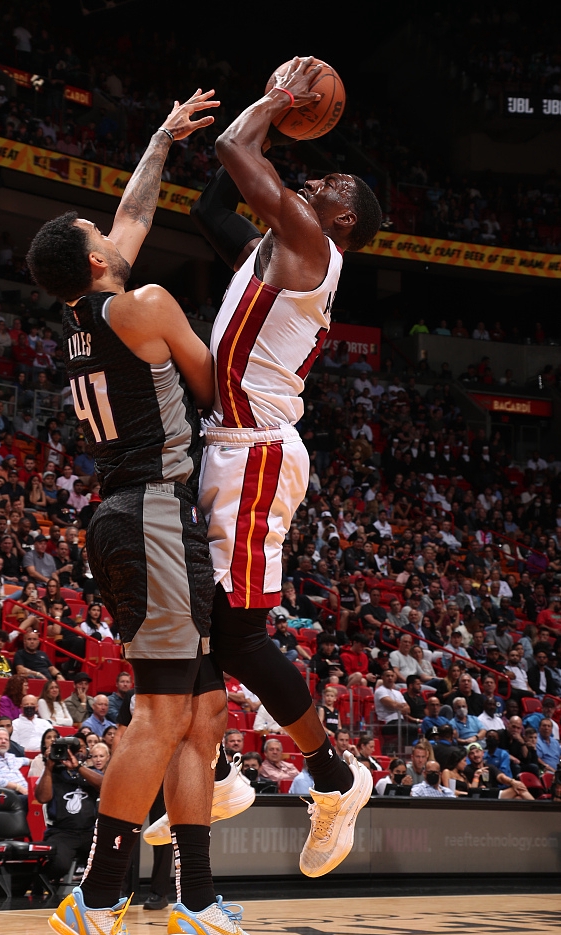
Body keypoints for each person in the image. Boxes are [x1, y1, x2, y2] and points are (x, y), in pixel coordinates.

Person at [27, 89, 281, 935]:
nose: (117, 232)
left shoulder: (88, 317)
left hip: (139, 517)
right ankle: (96, 901)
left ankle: (196, 903)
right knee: (163, 713)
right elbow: (217, 389)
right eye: (103, 235)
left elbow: (132, 215)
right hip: (152, 517)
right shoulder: (144, 305)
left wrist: (160, 140)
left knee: (203, 712)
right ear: (99, 260)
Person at [188, 56, 380, 881]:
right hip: (227, 445)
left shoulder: (312, 247)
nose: (315, 179)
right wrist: (252, 130)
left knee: (237, 635)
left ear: (340, 220)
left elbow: (234, 147)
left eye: (329, 184)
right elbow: (210, 204)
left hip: (256, 454)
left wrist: (275, 103)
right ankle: (215, 774)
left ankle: (334, 780)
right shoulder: (273, 246)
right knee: (195, 621)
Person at [35, 736, 103, 883]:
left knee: (108, 859)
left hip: (89, 832)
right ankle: (40, 885)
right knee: (60, 865)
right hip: (62, 832)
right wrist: (49, 767)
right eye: (72, 749)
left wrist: (78, 768)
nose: (77, 752)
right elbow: (42, 798)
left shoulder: (91, 773)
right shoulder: (53, 774)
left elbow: (104, 785)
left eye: (81, 748)